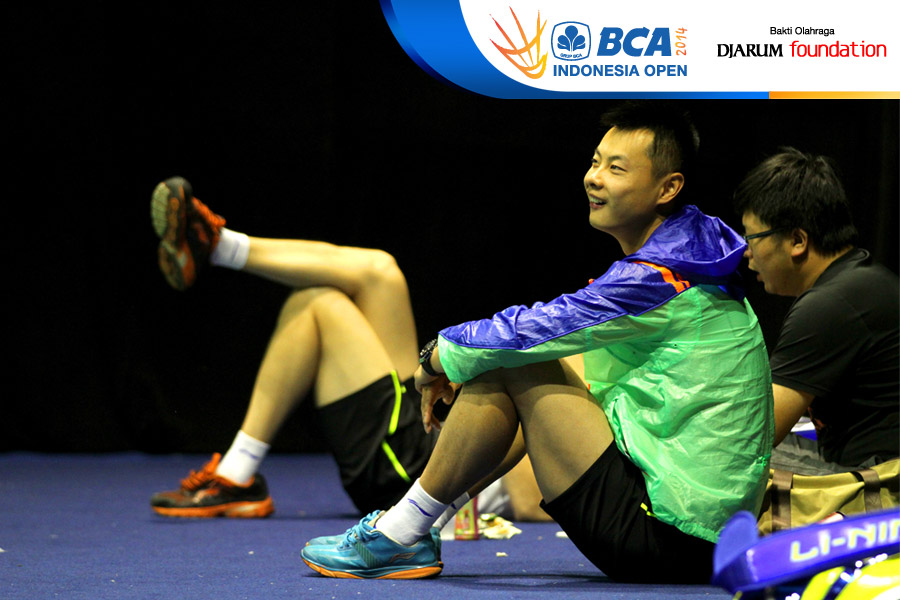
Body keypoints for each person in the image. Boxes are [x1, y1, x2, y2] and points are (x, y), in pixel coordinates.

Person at [300, 102, 774, 583]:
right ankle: (414, 526)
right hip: (702, 535)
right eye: (595, 162)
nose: (593, 178)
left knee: (517, 358)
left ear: (667, 188)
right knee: (531, 362)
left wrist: (435, 358)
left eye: (616, 168)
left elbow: (530, 332)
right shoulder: (691, 257)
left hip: (668, 534)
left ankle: (401, 533)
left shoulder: (664, 275)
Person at [147, 176, 549, 524]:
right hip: (428, 433)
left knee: (318, 304)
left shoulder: (581, 398)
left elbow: (535, 497)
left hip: (416, 474)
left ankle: (236, 475)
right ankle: (217, 245)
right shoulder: (583, 341)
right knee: (380, 273)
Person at [733, 148, 899, 476]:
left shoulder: (831, 304)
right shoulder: (856, 280)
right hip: (872, 467)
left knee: (718, 459)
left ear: (797, 240)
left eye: (752, 238)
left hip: (881, 483)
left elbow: (755, 437)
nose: (746, 253)